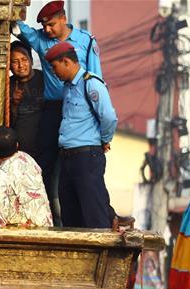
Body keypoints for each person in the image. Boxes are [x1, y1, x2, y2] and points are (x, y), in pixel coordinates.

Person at [15, 0, 102, 220]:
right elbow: (18, 27)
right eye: (44, 25)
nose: (47, 30)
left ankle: (95, 218)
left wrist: (100, 128)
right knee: (44, 165)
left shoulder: (86, 41)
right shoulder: (41, 40)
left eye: (51, 24)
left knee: (80, 168)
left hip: (80, 111)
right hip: (52, 110)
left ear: (63, 19)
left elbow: (96, 79)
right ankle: (42, 216)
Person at [44, 41, 117, 229]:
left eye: (55, 66)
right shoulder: (68, 87)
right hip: (68, 157)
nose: (54, 72)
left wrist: (104, 140)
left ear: (67, 62)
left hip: (87, 156)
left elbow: (108, 117)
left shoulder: (90, 83)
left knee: (94, 212)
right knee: (70, 212)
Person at [0, 126, 53, 228]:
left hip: (25, 235)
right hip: (44, 226)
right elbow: (9, 165)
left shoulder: (1, 177)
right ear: (17, 145)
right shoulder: (27, 159)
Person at [8, 41, 45, 157]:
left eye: (24, 59)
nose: (20, 65)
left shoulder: (44, 79)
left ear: (31, 60)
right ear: (9, 65)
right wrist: (13, 103)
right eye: (15, 61)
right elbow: (6, 122)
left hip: (46, 149)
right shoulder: (6, 85)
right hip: (20, 153)